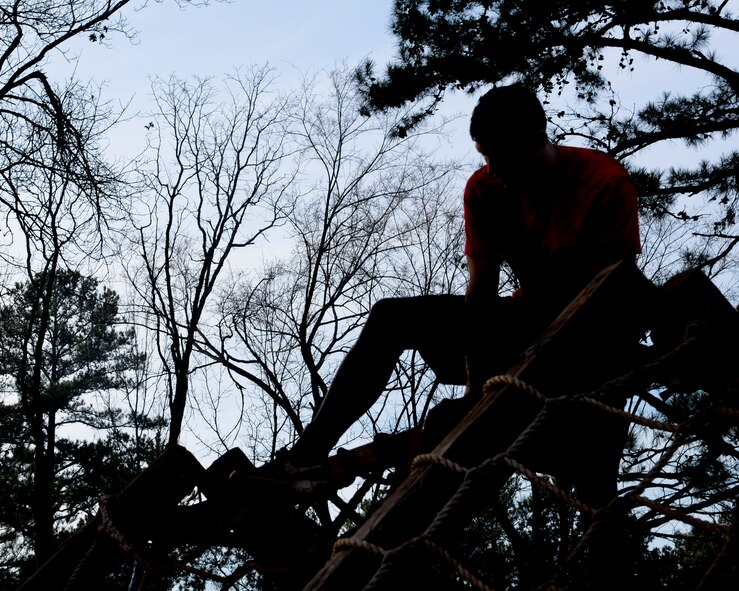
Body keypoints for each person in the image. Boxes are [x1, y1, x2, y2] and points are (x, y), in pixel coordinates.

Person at [285, 83, 641, 471]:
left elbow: (609, 292)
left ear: (537, 137)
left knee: (594, 478)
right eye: (487, 157)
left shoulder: (603, 183)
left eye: (504, 157)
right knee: (391, 317)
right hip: (520, 327)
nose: (495, 170)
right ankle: (306, 454)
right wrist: (477, 387)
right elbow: (482, 292)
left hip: (587, 346)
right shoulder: (486, 189)